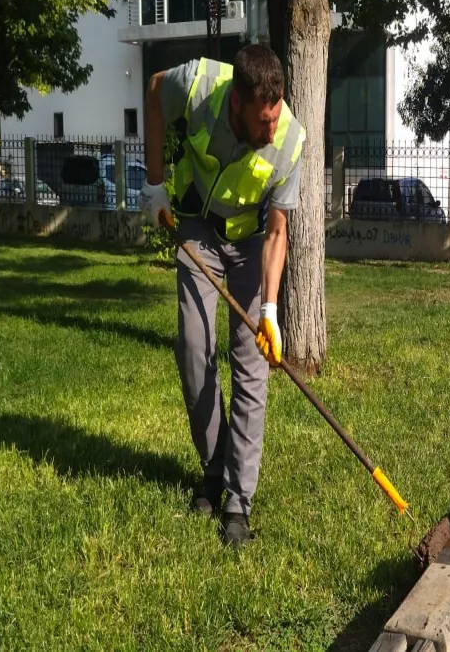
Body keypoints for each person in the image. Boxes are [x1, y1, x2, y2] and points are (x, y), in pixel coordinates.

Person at [138, 44, 306, 547]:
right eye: (262, 121)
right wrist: (155, 186)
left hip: (253, 243)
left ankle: (238, 503)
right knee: (193, 348)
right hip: (198, 229)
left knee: (251, 363)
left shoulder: (290, 142)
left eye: (275, 117)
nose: (270, 130)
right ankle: (214, 468)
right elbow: (151, 93)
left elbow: (278, 233)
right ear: (236, 103)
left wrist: (271, 313)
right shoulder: (194, 85)